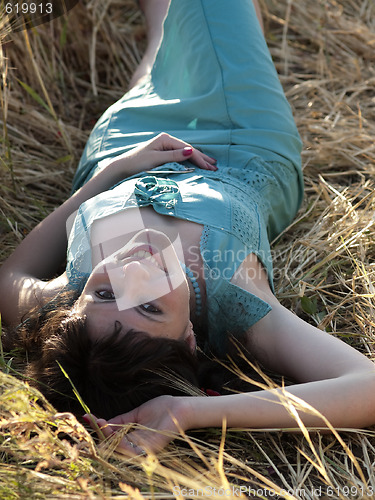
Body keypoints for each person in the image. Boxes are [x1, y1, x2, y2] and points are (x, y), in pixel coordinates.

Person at [1, 0, 375, 457]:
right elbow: (367, 388)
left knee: (167, 40)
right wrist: (188, 412)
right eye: (152, 307)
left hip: (127, 141)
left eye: (104, 294)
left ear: (72, 306)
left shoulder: (70, 318)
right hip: (243, 138)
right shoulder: (235, 301)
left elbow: (9, 279)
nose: (134, 271)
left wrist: (113, 170)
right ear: (189, 340)